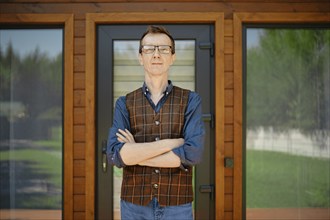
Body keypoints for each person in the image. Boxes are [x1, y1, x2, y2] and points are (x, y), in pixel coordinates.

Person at [107, 25, 205, 220]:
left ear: (173, 57)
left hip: (178, 206)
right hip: (134, 206)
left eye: (164, 49)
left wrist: (135, 152)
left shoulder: (191, 100)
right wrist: (172, 143)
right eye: (149, 49)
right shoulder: (124, 103)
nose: (156, 54)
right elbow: (115, 154)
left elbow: (193, 154)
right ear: (140, 57)